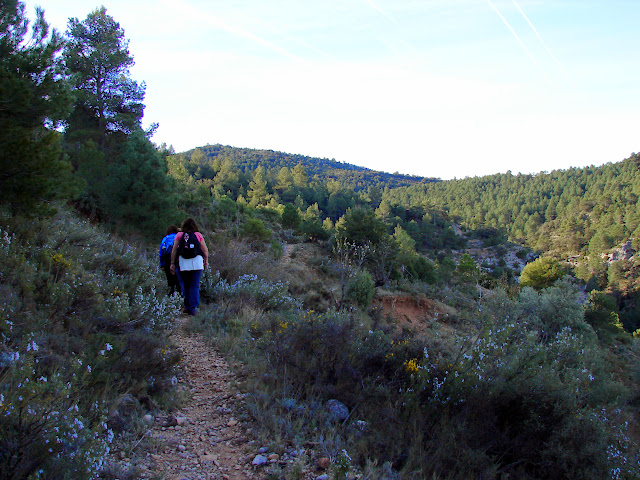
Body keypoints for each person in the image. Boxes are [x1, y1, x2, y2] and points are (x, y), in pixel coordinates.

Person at [170, 218, 208, 315]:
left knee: (186, 285)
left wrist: (172, 263)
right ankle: (194, 307)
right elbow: (205, 250)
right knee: (194, 285)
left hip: (183, 262)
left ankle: (187, 306)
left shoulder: (179, 235)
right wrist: (206, 261)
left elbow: (174, 250)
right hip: (197, 263)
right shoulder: (198, 235)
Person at [159, 225, 182, 295]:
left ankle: (171, 296)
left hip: (167, 259)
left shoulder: (165, 239)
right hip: (178, 259)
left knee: (170, 280)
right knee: (179, 280)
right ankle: (180, 296)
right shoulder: (179, 237)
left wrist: (162, 264)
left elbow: (161, 252)